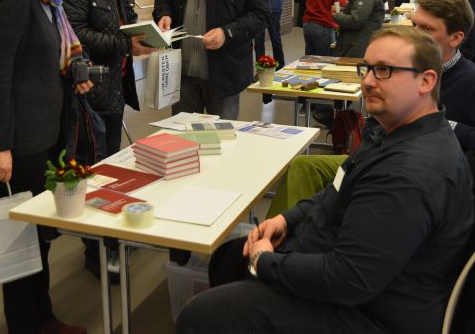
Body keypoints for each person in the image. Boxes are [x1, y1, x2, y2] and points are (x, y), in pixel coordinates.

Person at [176, 26, 474, 334]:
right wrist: (287, 219)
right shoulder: (392, 131)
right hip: (339, 268)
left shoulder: (409, 173)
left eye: (384, 70)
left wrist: (264, 262)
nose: (368, 81)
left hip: (368, 313)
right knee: (228, 259)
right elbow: (337, 189)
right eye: (367, 69)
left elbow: (349, 279)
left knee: (200, 316)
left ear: (426, 81)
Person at [0, 0, 90, 334]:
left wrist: (72, 72)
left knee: (38, 237)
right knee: (21, 242)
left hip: (43, 135)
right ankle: (27, 324)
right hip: (18, 143)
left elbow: (39, 62)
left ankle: (42, 317)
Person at [267, 0, 475, 217]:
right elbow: (373, 125)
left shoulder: (469, 81)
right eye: (414, 25)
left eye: (426, 29)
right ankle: (276, 231)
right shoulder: (400, 69)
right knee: (303, 167)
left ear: (456, 38)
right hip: (376, 159)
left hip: (423, 177)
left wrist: (438, 124)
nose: (414, 35)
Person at [63, 0, 155, 157]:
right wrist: (126, 45)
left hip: (115, 87)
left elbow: (126, 18)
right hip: (90, 90)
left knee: (112, 159)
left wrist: (147, 32)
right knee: (93, 162)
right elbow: (75, 33)